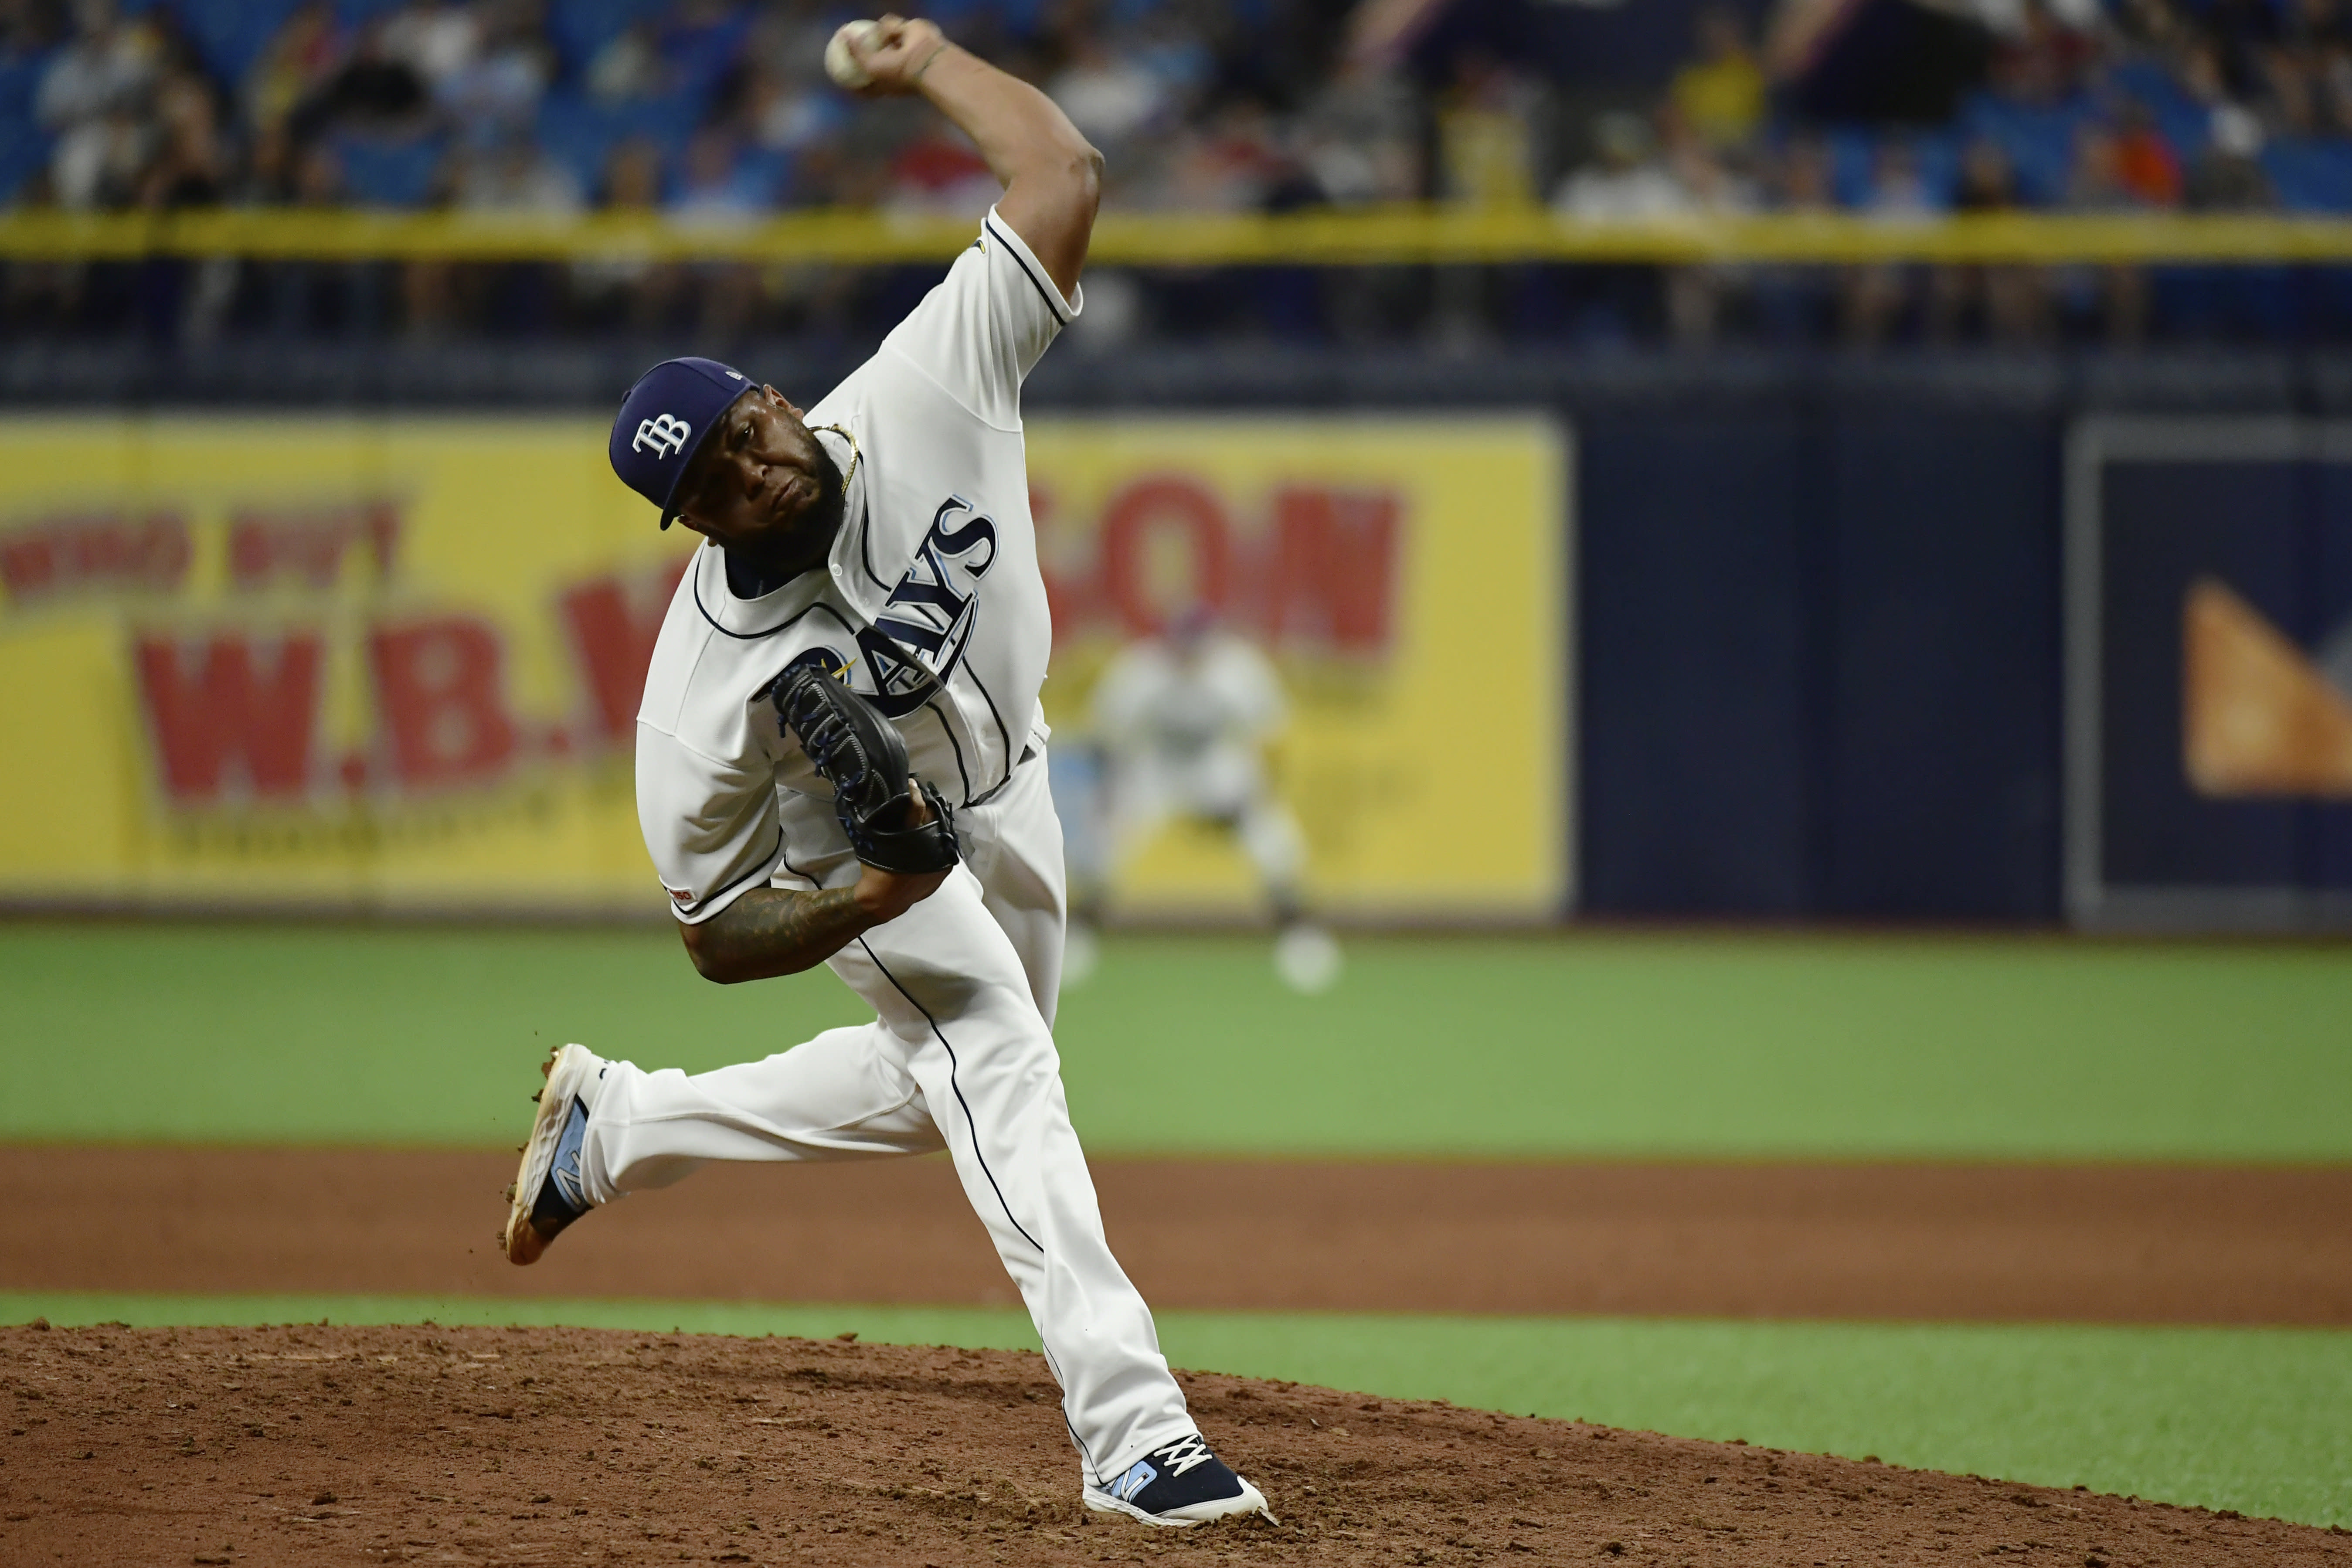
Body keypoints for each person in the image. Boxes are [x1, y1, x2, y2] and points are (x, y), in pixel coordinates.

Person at [498, 14, 1272, 1531]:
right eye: (707, 483)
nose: (746, 471)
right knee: (999, 1059)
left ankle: (619, 1127)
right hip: (874, 866)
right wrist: (869, 890)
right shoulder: (701, 699)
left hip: (1018, 785)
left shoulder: (927, 380)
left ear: (774, 396)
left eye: (741, 432)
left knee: (945, 1094)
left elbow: (1061, 166)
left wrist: (925, 63)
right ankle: (1134, 1433)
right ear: (693, 523)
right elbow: (711, 930)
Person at [1078, 609, 1339, 994]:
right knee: (1104, 841)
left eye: (1197, 649)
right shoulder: (1140, 670)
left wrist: (1256, 798)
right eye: (1181, 649)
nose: (1188, 658)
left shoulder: (1239, 670)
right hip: (1157, 766)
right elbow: (1106, 737)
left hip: (1216, 765)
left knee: (1273, 839)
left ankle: (1299, 934)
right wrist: (1110, 797)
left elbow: (1271, 736)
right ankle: (1081, 933)